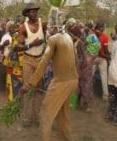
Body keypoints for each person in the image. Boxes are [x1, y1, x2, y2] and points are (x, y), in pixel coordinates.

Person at [20, 10, 78, 141]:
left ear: (53, 25)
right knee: (63, 114)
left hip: (61, 82)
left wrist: (29, 84)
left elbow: (43, 63)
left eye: (49, 26)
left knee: (46, 112)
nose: (47, 29)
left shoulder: (54, 39)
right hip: (73, 81)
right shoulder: (68, 37)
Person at [17, 3, 46, 127]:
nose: (34, 13)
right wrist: (32, 44)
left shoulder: (43, 24)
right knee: (27, 88)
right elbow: (18, 48)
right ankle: (26, 118)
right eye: (32, 11)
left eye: (35, 11)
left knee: (38, 91)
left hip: (40, 61)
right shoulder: (23, 27)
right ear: (27, 14)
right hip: (28, 60)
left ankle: (36, 117)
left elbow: (53, 33)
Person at [69, 25, 87, 111]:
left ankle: (75, 103)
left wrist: (80, 69)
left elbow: (84, 58)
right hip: (72, 66)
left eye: (72, 34)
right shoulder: (70, 42)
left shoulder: (79, 43)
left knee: (77, 86)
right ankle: (73, 103)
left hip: (77, 66)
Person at [94, 22, 110, 101]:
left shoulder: (91, 35)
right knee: (104, 77)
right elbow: (106, 51)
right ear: (102, 28)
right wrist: (108, 58)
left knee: (89, 77)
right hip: (102, 58)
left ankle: (86, 93)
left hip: (92, 59)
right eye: (103, 27)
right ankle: (105, 96)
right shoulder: (105, 36)